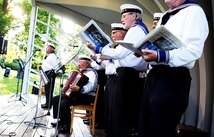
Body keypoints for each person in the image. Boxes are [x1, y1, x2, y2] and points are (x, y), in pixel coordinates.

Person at [139, 1, 209, 137]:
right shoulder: (166, 14)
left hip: (172, 78)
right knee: (146, 127)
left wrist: (162, 55)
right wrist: (143, 50)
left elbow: (193, 51)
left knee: (161, 129)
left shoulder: (194, 11)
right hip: (155, 76)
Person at [87, 4, 148, 137]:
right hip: (127, 75)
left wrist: (97, 48)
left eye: (125, 16)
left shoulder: (136, 29)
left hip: (128, 76)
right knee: (118, 114)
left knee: (121, 116)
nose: (122, 19)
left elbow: (120, 54)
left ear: (134, 16)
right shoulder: (138, 29)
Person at [51, 55, 98, 133]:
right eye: (78, 62)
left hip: (87, 97)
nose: (78, 64)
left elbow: (90, 87)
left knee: (64, 103)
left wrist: (80, 89)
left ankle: (67, 126)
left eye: (80, 62)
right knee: (56, 99)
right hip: (77, 96)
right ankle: (60, 121)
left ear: (87, 64)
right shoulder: (80, 72)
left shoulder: (92, 73)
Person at [41, 45, 59, 109]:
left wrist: (56, 72)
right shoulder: (50, 56)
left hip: (50, 73)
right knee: (47, 89)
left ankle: (48, 104)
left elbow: (56, 65)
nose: (46, 49)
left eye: (47, 48)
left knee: (49, 89)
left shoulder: (53, 56)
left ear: (51, 48)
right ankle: (47, 103)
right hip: (47, 73)